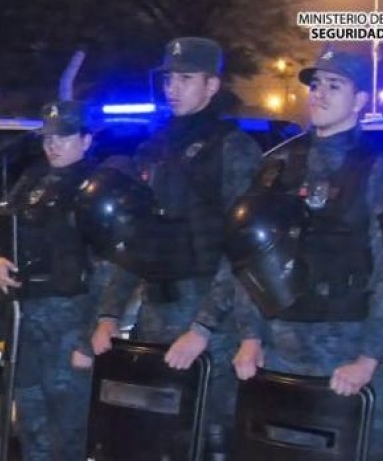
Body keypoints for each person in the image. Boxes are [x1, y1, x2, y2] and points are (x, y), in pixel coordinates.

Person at [228, 50, 383, 460]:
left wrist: (369, 357)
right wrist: (249, 336)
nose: (319, 94)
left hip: (347, 357)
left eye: (334, 86)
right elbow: (250, 256)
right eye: (316, 85)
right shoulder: (277, 168)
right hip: (280, 351)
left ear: (360, 100)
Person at [88, 37, 263, 457]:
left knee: (209, 436)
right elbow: (134, 236)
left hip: (210, 318)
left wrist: (202, 328)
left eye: (186, 79)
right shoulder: (154, 148)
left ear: (211, 85)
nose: (173, 88)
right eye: (169, 79)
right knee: (154, 438)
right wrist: (109, 314)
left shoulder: (233, 149)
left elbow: (242, 250)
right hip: (155, 312)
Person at [0, 100, 105, 461]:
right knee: (32, 431)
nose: (53, 144)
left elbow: (113, 272)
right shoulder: (30, 182)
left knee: (71, 435)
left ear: (86, 140)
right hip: (25, 325)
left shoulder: (99, 188)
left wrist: (88, 341)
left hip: (72, 327)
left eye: (64, 136)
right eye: (48, 137)